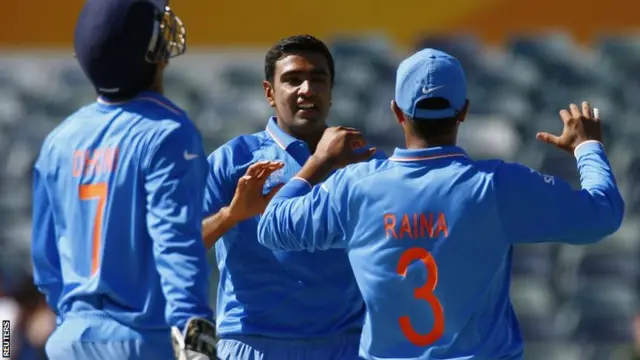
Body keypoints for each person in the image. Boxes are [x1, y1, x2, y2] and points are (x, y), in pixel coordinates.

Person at [256, 48, 625, 359]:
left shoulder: (355, 186)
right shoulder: (496, 186)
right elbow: (603, 213)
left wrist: (319, 162)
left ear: (397, 112)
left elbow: (272, 229)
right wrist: (587, 147)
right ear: (463, 111)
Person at [31, 0, 216, 359]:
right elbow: (176, 243)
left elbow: (46, 264)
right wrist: (195, 333)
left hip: (69, 341)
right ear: (147, 53)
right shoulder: (167, 131)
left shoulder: (59, 139)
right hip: (141, 341)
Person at [202, 34, 383, 360]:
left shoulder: (364, 161)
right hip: (254, 343)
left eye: (317, 79)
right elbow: (179, 243)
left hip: (346, 344)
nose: (306, 89)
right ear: (269, 93)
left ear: (331, 90)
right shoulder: (233, 159)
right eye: (292, 80)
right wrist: (230, 215)